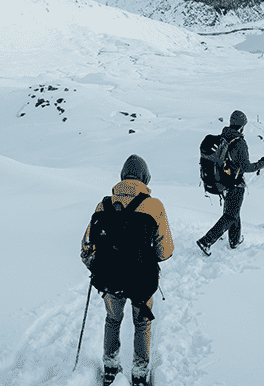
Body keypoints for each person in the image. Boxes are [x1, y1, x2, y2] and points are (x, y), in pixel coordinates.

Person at [81, 154, 174, 386]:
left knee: (112, 320)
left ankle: (110, 368)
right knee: (141, 324)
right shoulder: (155, 206)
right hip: (142, 281)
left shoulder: (103, 205)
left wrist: (96, 267)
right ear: (145, 178)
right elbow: (166, 251)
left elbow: (86, 247)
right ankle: (140, 374)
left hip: (109, 279)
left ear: (122, 176)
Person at [196, 110, 264, 255]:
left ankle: (234, 241)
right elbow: (246, 167)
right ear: (242, 125)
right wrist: (261, 163)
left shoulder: (223, 137)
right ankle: (206, 241)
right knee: (230, 215)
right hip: (235, 183)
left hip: (222, 182)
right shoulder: (239, 143)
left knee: (233, 211)